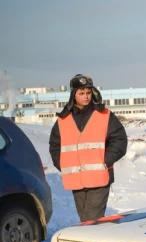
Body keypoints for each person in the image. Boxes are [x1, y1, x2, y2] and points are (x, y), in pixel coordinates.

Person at [49, 74, 127, 222]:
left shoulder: (104, 115)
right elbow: (54, 146)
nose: (86, 97)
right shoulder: (63, 120)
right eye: (82, 93)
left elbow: (120, 140)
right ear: (73, 94)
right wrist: (64, 164)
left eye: (89, 93)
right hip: (76, 180)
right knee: (85, 220)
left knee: (93, 219)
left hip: (99, 177)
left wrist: (104, 160)